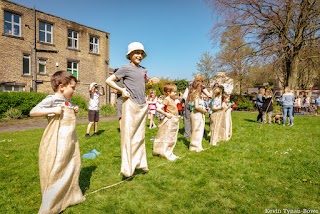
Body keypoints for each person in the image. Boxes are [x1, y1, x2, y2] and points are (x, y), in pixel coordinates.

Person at [29, 70, 85, 213]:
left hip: (70, 141)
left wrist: (74, 108)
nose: (74, 90)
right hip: (57, 141)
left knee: (72, 166)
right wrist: (54, 110)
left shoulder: (67, 100)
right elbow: (33, 112)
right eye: (72, 87)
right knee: (57, 168)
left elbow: (68, 110)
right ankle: (51, 202)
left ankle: (70, 196)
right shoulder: (52, 99)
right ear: (62, 86)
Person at [106, 41, 149, 178]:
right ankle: (127, 168)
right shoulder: (125, 68)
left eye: (141, 53)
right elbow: (109, 80)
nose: (139, 55)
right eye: (137, 53)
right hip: (130, 104)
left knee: (140, 136)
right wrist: (121, 90)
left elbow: (142, 81)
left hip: (141, 106)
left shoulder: (143, 70)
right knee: (129, 136)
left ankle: (139, 163)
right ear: (129, 54)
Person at [153, 84, 180, 161]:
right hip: (170, 121)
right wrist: (166, 114)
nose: (175, 93)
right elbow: (158, 108)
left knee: (172, 137)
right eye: (174, 92)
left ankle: (170, 152)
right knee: (167, 137)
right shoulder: (167, 99)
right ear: (168, 92)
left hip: (174, 120)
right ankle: (165, 152)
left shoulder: (172, 99)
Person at [188, 81, 208, 152]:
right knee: (197, 130)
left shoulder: (195, 94)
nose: (202, 88)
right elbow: (196, 106)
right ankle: (194, 146)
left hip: (197, 113)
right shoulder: (196, 94)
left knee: (199, 130)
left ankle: (198, 146)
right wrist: (203, 111)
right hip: (197, 114)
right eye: (201, 86)